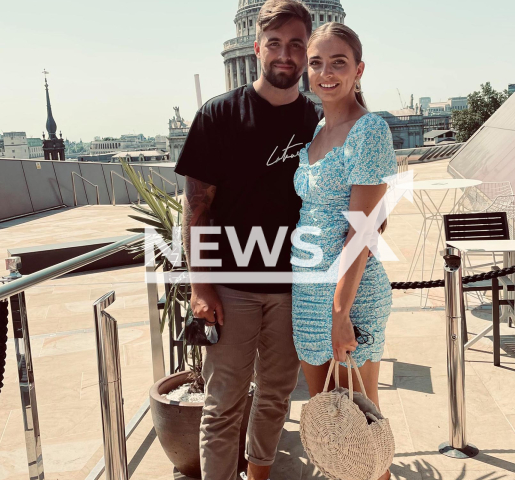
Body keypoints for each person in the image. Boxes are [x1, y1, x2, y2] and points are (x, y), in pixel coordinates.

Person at [174, 1, 322, 479]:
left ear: (306, 52)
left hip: (294, 285)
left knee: (277, 395)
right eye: (275, 44)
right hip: (232, 285)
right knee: (223, 403)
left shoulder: (318, 123)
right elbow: (195, 207)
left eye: (296, 45)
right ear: (256, 48)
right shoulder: (218, 115)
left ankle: (258, 476)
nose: (285, 54)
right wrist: (200, 286)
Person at [291, 22, 396, 480]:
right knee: (329, 429)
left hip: (347, 297)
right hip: (307, 293)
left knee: (361, 429)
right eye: (317, 63)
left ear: (359, 71)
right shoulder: (315, 133)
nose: (326, 73)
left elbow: (362, 231)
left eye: (338, 62)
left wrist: (340, 310)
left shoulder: (369, 129)